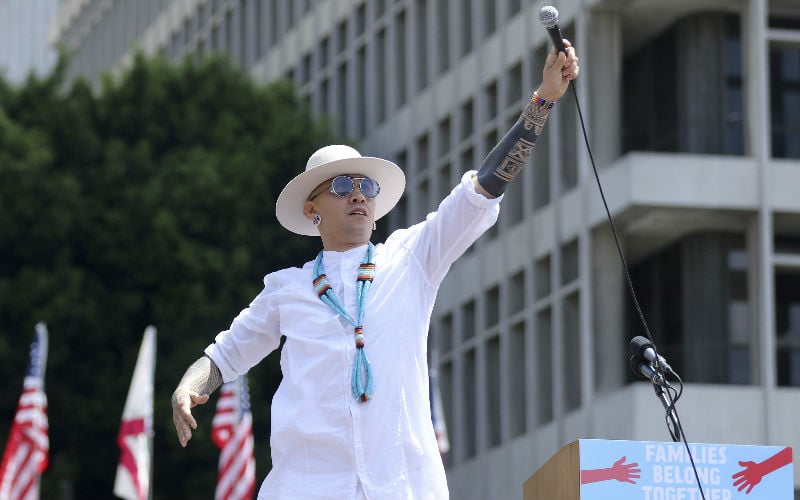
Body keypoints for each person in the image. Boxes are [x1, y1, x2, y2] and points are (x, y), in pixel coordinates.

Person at [172, 40, 579, 499]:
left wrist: (542, 101)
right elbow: (224, 356)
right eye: (342, 185)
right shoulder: (287, 289)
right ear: (312, 210)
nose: (358, 194)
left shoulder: (412, 257)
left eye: (366, 186)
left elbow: (481, 191)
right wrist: (187, 387)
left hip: (401, 486)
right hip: (309, 488)